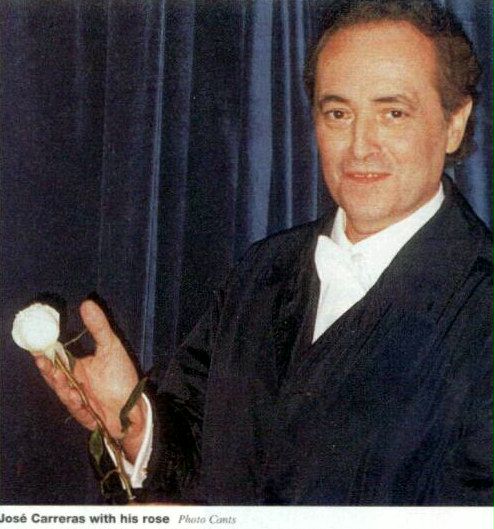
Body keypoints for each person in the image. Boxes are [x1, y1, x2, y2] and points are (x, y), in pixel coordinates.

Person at [36, 0, 493, 505]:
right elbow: (193, 460)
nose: (361, 146)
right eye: (338, 114)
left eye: (393, 113)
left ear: (455, 122)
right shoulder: (260, 272)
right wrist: (136, 424)